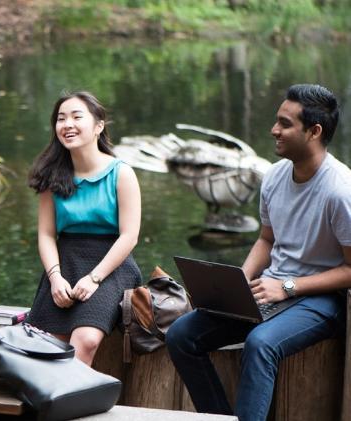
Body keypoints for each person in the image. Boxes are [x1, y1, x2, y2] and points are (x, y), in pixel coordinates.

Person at [166, 84, 351, 421]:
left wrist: (289, 286)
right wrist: (240, 278)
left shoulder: (340, 191)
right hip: (270, 290)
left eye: (285, 123)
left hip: (322, 300)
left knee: (261, 343)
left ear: (314, 131)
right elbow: (267, 239)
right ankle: (221, 416)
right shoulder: (275, 176)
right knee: (181, 335)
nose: (274, 130)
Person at [24, 91, 143, 365]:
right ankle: (47, 404)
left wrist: (94, 278)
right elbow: (45, 234)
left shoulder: (121, 172)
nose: (67, 124)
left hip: (111, 264)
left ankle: (71, 406)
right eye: (61, 119)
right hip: (65, 261)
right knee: (45, 345)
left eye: (77, 117)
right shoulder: (51, 174)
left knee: (86, 340)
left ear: (98, 126)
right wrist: (55, 278)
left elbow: (130, 235)